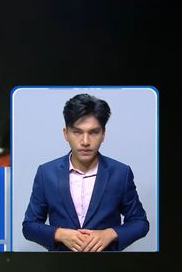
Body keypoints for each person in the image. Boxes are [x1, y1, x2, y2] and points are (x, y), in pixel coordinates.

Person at [22, 94, 149, 252]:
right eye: (77, 132)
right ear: (65, 133)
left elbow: (140, 222)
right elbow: (29, 226)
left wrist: (110, 234)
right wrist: (59, 234)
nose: (85, 141)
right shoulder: (46, 173)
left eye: (93, 132)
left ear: (103, 134)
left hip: (108, 263)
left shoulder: (120, 173)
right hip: (60, 263)